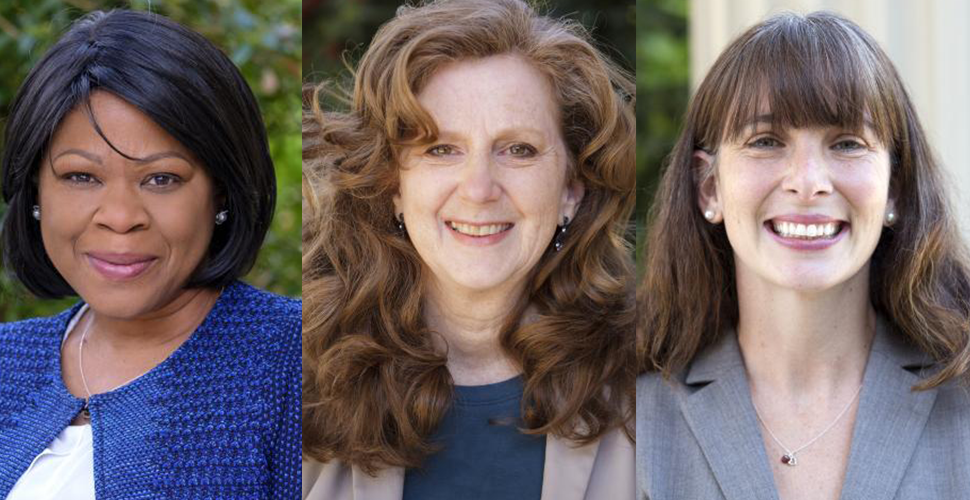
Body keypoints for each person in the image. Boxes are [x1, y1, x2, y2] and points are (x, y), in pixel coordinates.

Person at [301, 0, 636, 498]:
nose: (479, 188)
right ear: (392, 183)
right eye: (441, 149)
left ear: (572, 188)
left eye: (518, 149)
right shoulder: (297, 381)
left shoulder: (650, 387)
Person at [635, 11, 970, 500]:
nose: (808, 182)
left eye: (847, 143)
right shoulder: (634, 418)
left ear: (895, 188)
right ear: (710, 188)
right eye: (766, 141)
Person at [0, 10, 301, 499]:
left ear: (222, 194)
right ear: (36, 189)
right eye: (81, 177)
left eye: (161, 178)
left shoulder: (296, 360)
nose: (121, 216)